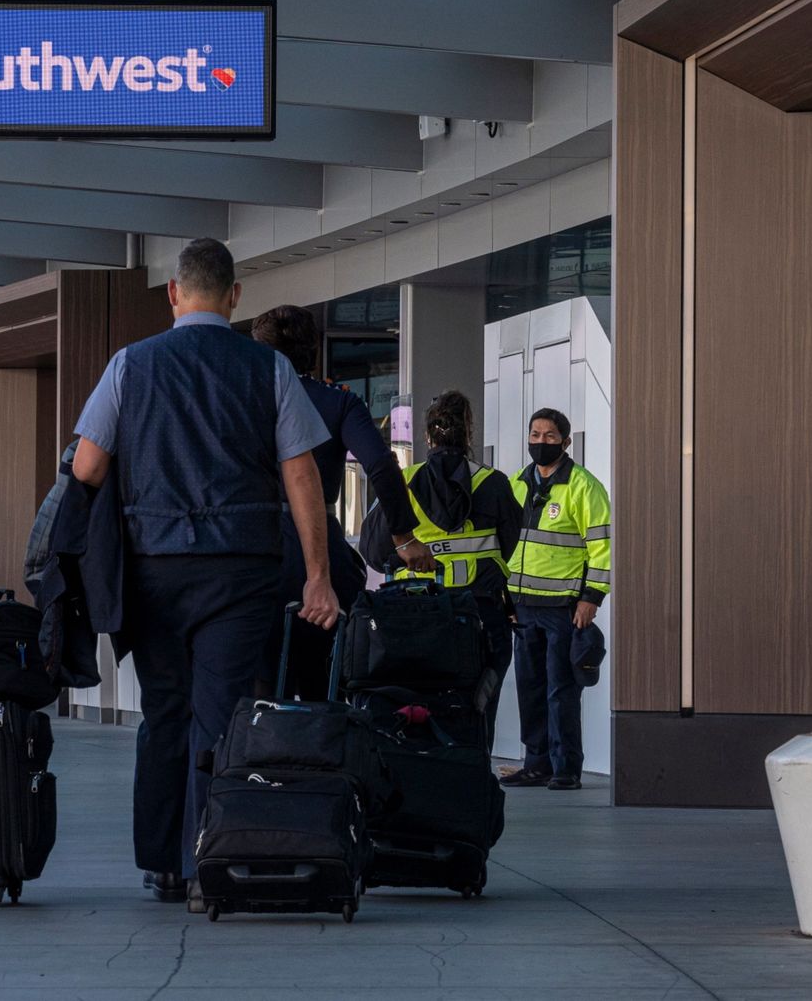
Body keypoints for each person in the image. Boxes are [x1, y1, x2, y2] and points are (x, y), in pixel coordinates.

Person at [70, 238, 338, 904]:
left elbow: (86, 468)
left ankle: (162, 860)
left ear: (173, 292)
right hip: (239, 569)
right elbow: (301, 473)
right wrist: (317, 575)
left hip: (153, 568)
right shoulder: (268, 368)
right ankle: (206, 862)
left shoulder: (129, 365)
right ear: (234, 296)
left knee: (164, 711)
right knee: (219, 715)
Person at [251, 305, 436, 699]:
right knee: (326, 674)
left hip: (254, 547)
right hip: (320, 551)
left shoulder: (243, 401)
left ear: (261, 353)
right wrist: (404, 537)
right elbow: (382, 467)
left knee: (257, 680)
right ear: (313, 352)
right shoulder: (338, 402)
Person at [359, 391, 521, 740]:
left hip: (414, 615)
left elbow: (372, 549)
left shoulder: (404, 483)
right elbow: (508, 543)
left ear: (428, 436)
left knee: (415, 710)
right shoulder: (493, 484)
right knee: (477, 712)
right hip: (479, 613)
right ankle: (472, 780)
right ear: (469, 434)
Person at [500, 408, 612, 792]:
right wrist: (506, 596)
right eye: (535, 434)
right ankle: (536, 765)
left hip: (565, 608)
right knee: (530, 689)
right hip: (522, 605)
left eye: (550, 436)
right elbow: (505, 543)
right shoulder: (516, 483)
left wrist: (591, 599)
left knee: (561, 691)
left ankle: (566, 769)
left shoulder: (584, 486)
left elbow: (602, 548)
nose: (541, 442)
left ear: (565, 442)